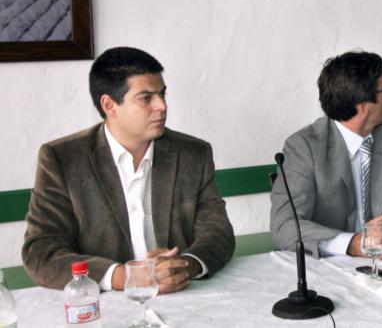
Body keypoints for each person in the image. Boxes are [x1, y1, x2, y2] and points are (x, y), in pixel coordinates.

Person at [22, 47, 235, 292]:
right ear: (109, 105)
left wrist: (186, 265)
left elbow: (218, 233)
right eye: (146, 98)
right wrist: (126, 277)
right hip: (104, 305)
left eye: (162, 94)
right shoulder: (62, 159)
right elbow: (41, 253)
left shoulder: (193, 153)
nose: (162, 106)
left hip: (184, 297)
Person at [270, 51, 382, 260]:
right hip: (325, 266)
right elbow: (284, 226)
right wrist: (353, 244)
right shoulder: (303, 147)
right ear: (363, 106)